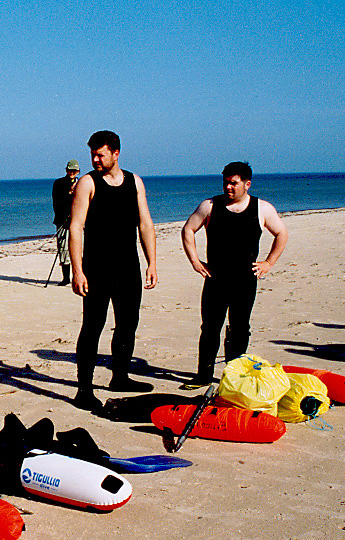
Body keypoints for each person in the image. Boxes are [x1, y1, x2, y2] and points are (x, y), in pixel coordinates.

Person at [68, 130, 158, 410]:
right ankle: (84, 390)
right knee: (92, 326)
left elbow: (145, 223)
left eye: (100, 155)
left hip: (128, 267)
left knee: (128, 324)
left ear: (116, 154)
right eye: (93, 155)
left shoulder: (134, 182)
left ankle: (120, 377)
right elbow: (76, 227)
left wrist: (152, 262)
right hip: (96, 269)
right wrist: (77, 270)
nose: (95, 160)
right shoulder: (87, 183)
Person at [180, 161, 288, 389]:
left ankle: (233, 376)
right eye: (225, 182)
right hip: (216, 278)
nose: (228, 187)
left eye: (233, 183)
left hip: (245, 280)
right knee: (210, 327)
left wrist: (269, 262)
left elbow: (281, 233)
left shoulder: (262, 208)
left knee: (239, 328)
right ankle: (203, 375)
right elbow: (188, 229)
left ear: (247, 184)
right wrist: (195, 261)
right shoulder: (210, 206)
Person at [52, 160, 80, 286]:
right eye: (69, 170)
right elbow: (57, 203)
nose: (71, 172)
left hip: (78, 222)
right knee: (63, 250)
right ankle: (66, 278)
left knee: (79, 249)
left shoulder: (81, 183)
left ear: (78, 171)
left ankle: (79, 276)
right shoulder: (59, 183)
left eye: (74, 170)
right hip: (63, 221)